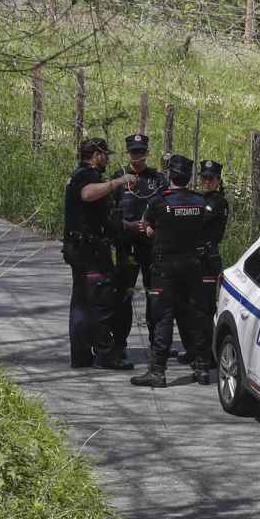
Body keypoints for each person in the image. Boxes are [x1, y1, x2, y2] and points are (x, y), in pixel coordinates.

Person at [132, 154, 211, 387]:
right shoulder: (199, 201)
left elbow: (146, 226)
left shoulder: (159, 201)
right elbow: (204, 229)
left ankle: (158, 371)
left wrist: (154, 232)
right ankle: (202, 367)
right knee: (194, 315)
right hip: (192, 265)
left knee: (163, 317)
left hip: (164, 267)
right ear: (189, 176)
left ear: (170, 174)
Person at [61, 137, 133, 370]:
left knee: (81, 303)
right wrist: (118, 181)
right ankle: (105, 354)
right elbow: (88, 194)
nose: (107, 159)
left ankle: (80, 356)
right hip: (88, 250)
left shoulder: (78, 174)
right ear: (96, 155)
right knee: (101, 301)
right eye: (105, 155)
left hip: (80, 247)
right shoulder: (87, 175)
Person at [110, 133, 166, 360]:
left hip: (152, 246)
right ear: (128, 153)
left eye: (141, 152)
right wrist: (129, 227)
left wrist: (153, 227)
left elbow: (165, 210)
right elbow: (110, 215)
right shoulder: (119, 178)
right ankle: (119, 343)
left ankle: (156, 344)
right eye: (134, 152)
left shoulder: (158, 179)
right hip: (127, 247)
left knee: (155, 295)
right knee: (124, 295)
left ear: (147, 153)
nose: (137, 157)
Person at [183, 159, 227, 369]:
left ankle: (207, 355)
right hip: (193, 259)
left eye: (211, 179)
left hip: (207, 260)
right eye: (204, 178)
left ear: (218, 181)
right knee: (191, 309)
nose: (207, 182)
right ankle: (194, 350)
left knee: (204, 310)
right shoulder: (199, 198)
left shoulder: (218, 202)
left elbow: (199, 219)